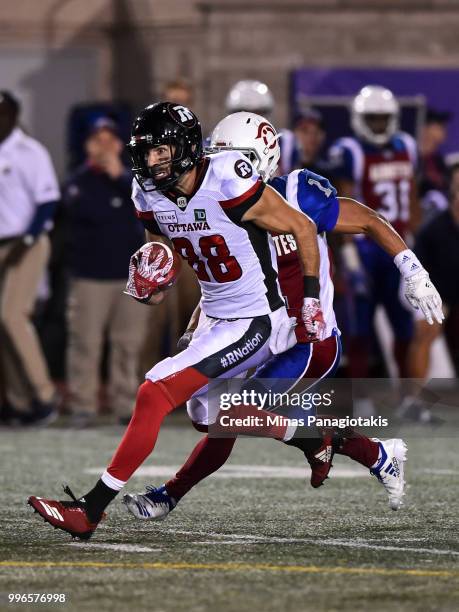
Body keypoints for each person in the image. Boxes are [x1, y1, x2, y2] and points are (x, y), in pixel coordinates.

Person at [122, 111, 443, 521]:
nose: (227, 166)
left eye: (237, 157)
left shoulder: (295, 193)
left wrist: (411, 268)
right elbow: (226, 284)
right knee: (214, 416)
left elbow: (365, 219)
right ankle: (374, 452)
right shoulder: (219, 199)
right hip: (255, 332)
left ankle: (168, 496)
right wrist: (192, 328)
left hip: (309, 338)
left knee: (230, 414)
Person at [28, 100, 327, 540]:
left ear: (186, 148)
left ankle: (90, 510)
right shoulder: (146, 193)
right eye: (145, 153)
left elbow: (302, 228)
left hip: (252, 319)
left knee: (153, 393)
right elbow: (166, 258)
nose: (151, 162)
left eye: (160, 152)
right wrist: (153, 280)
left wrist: (313, 299)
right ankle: (314, 439)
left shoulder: (228, 177)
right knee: (209, 415)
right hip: (214, 315)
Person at [329, 85, 420, 411]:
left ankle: (408, 398)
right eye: (374, 119)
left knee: (404, 327)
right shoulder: (350, 150)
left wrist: (413, 241)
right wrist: (349, 254)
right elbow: (345, 203)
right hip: (366, 250)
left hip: (397, 249)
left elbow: (410, 197)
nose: (380, 125)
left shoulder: (407, 146)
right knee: (359, 329)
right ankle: (362, 398)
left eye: (384, 119)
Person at [64, 117, 149, 426]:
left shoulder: (134, 182)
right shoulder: (78, 182)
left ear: (119, 145)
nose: (103, 146)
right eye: (97, 139)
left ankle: (124, 404)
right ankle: (83, 405)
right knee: (85, 343)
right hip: (90, 277)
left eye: (109, 139)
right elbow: (87, 214)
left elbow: (146, 211)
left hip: (130, 276)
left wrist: (119, 177)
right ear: (88, 145)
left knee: (128, 343)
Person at [0, 91, 60, 425]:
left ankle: (45, 396)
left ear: (13, 116)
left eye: (2, 114)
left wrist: (25, 240)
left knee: (12, 316)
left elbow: (48, 201)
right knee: (1, 323)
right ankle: (21, 404)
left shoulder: (29, 151)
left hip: (27, 242)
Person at [399, 163, 459, 421]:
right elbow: (415, 272)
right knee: (428, 329)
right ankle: (413, 401)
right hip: (425, 287)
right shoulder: (434, 228)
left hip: (452, 290)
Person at [225, 79, 300, 174]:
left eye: (256, 114)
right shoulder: (218, 143)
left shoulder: (285, 142)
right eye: (244, 114)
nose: (250, 121)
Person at [418, 108, 451, 222]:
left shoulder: (438, 159)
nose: (444, 130)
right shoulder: (413, 157)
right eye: (438, 126)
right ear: (425, 128)